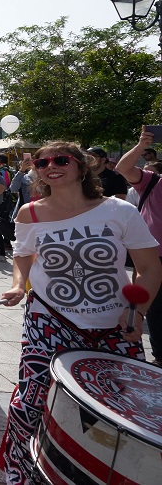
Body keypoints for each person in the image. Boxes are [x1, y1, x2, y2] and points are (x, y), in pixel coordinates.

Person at [0, 141, 161, 485]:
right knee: (32, 398)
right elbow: (23, 255)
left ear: (82, 166)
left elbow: (148, 267)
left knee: (124, 409)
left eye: (61, 160)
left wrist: (138, 311)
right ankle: (18, 469)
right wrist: (18, 284)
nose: (50, 166)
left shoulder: (118, 210)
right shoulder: (31, 212)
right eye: (42, 162)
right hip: (50, 317)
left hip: (115, 321)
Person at [115, 127, 162, 365]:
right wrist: (141, 145)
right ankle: (160, 357)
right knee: (154, 307)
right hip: (154, 256)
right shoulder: (152, 183)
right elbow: (123, 168)